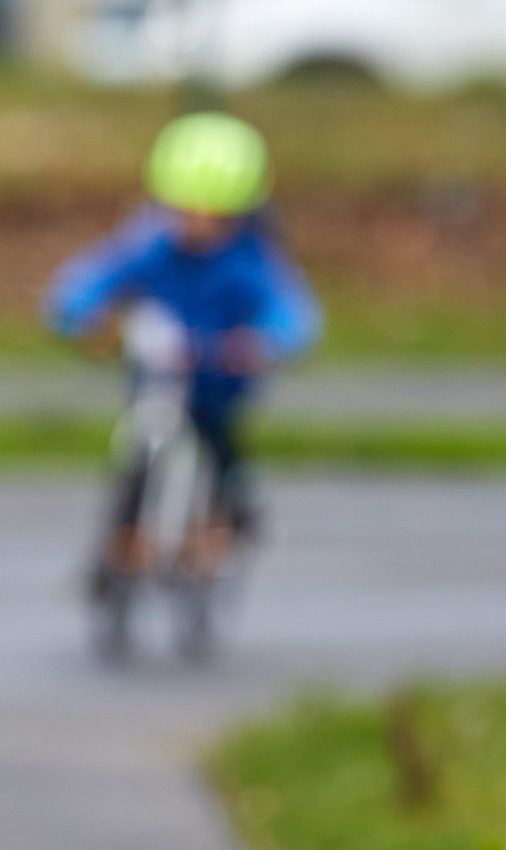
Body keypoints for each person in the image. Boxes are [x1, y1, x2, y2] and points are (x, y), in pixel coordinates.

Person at [41, 112, 321, 584]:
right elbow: (91, 277)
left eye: (213, 214)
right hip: (159, 371)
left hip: (219, 373)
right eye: (184, 210)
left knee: (217, 437)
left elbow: (291, 310)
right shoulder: (149, 242)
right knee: (137, 444)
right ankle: (120, 541)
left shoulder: (251, 260)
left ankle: (233, 506)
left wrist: (267, 341)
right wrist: (80, 313)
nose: (196, 224)